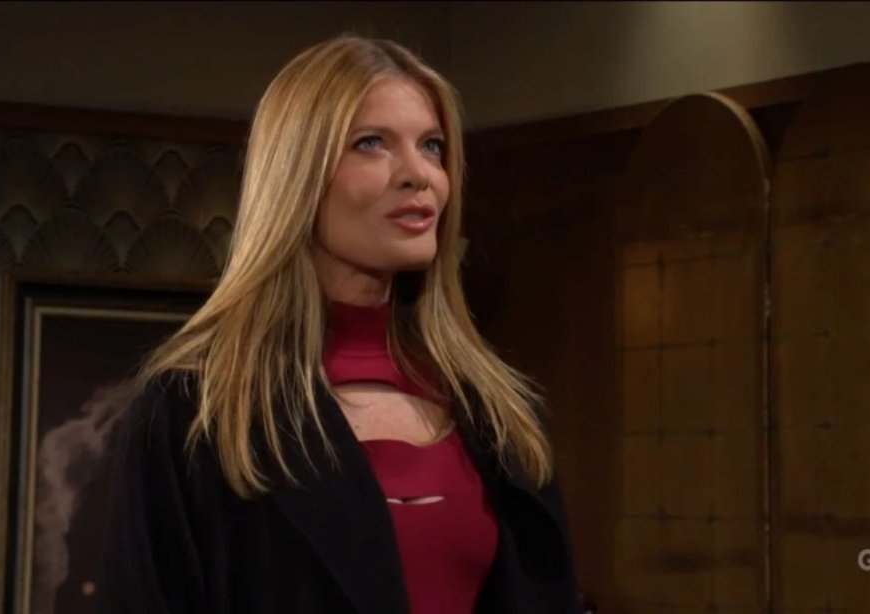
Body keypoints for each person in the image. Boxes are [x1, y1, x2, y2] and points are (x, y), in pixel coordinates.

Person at [96, 34, 580, 614]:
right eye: (371, 144)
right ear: (298, 176)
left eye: (431, 146)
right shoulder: (196, 411)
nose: (419, 174)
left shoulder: (501, 412)